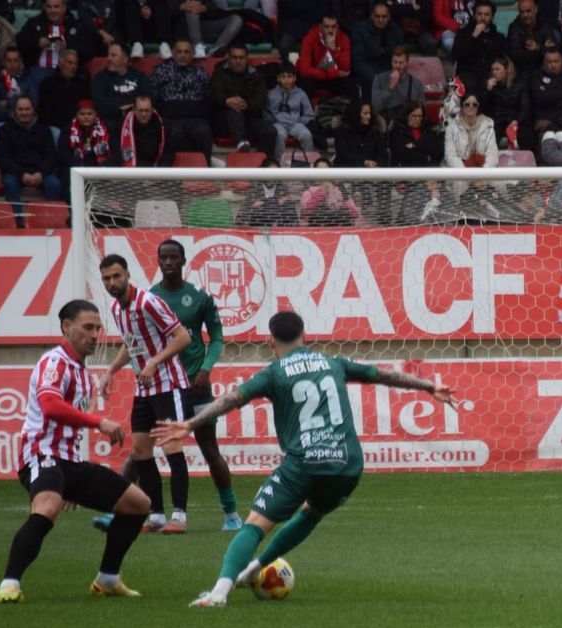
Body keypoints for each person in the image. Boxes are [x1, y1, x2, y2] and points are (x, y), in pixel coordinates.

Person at [154, 310, 455, 607]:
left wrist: (191, 424)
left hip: (303, 463)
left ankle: (219, 592)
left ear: (270, 342)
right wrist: (429, 386)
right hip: (347, 465)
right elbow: (380, 375)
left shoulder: (273, 372)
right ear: (305, 336)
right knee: (312, 512)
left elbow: (233, 398)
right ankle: (255, 568)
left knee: (255, 525)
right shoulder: (332, 362)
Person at [0, 299, 151, 604]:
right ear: (67, 327)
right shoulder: (55, 363)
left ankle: (107, 579)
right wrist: (99, 422)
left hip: (70, 462)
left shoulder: (81, 371)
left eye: (98, 329)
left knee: (138, 504)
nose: (94, 335)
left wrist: (69, 483)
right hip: (42, 455)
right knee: (47, 509)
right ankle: (9, 585)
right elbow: (51, 406)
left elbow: (69, 422)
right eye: (87, 328)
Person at [94, 253, 194, 533]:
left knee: (172, 447)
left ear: (127, 275)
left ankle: (180, 517)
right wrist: (111, 370)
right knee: (140, 450)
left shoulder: (149, 302)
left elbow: (183, 337)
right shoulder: (116, 309)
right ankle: (157, 515)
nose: (112, 282)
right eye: (106, 278)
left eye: (116, 276)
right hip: (144, 388)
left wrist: (154, 361)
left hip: (168, 384)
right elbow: (131, 343)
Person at [149, 239, 242, 529]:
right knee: (145, 449)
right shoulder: (150, 298)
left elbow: (216, 338)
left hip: (197, 386)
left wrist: (205, 370)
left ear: (184, 261)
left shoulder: (200, 297)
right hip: (166, 387)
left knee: (209, 448)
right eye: (163, 257)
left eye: (173, 257)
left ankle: (231, 514)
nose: (168, 262)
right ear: (158, 261)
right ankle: (121, 509)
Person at [0, 95, 62, 225]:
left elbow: (51, 156)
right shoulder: (4, 130)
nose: (24, 113)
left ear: (33, 110)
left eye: (27, 109)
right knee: (9, 183)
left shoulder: (44, 129)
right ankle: (18, 223)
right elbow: (2, 158)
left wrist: (41, 173)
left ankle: (48, 222)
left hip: (41, 172)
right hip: (15, 173)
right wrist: (21, 174)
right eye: (20, 109)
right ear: (14, 110)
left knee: (55, 184)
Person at [17, 0, 99, 91]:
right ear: (44, 7)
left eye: (56, 7)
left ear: (64, 8)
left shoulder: (77, 25)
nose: (52, 10)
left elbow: (89, 50)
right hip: (38, 71)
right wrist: (37, 43)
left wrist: (69, 47)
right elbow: (20, 42)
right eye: (49, 7)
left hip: (66, 73)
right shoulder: (33, 23)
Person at [151, 36, 212, 155]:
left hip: (195, 118)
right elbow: (153, 96)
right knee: (173, 133)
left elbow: (208, 97)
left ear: (192, 54)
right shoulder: (161, 71)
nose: (182, 55)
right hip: (170, 118)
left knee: (204, 131)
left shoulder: (200, 73)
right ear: (173, 53)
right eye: (179, 52)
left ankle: (205, 169)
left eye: (186, 52)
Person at [211, 44, 275, 154]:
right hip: (225, 120)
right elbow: (214, 94)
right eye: (235, 58)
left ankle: (266, 165)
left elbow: (261, 101)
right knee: (234, 111)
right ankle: (241, 143)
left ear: (247, 59)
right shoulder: (219, 72)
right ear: (229, 58)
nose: (238, 61)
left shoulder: (256, 75)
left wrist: (247, 104)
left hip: (249, 117)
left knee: (270, 131)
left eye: (241, 58)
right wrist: (227, 101)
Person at [388, 101, 445, 221]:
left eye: (420, 116)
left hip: (428, 178)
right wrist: (425, 155)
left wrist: (414, 147)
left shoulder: (429, 130)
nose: (417, 119)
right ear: (407, 115)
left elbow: (437, 153)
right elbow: (401, 154)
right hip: (405, 176)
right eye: (414, 116)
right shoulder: (397, 132)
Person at [451, 0, 506, 95]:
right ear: (474, 15)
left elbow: (504, 60)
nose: (483, 18)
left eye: (487, 14)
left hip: (488, 76)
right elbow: (455, 55)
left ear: (492, 17)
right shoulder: (463, 33)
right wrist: (473, 36)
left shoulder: (499, 38)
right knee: (454, 84)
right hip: (466, 77)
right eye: (479, 14)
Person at [265, 62, 318, 158]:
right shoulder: (272, 94)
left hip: (296, 124)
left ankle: (310, 165)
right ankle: (279, 166)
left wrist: (299, 121)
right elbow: (267, 113)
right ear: (278, 78)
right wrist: (273, 121)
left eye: (289, 77)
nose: (286, 80)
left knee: (306, 135)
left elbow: (309, 115)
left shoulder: (301, 94)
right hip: (278, 124)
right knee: (279, 136)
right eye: (283, 77)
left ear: (294, 78)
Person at [37, 46, 88, 136]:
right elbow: (43, 113)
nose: (73, 66)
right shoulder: (47, 84)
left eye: (76, 64)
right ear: (60, 64)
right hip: (54, 129)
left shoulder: (83, 85)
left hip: (78, 129)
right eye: (70, 63)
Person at [297, 13, 351, 96]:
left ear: (337, 27)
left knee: (348, 86)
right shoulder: (309, 39)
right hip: (314, 78)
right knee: (307, 84)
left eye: (333, 27)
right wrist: (328, 74)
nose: (330, 30)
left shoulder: (344, 39)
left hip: (334, 78)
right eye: (326, 26)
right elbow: (305, 69)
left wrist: (333, 49)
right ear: (320, 27)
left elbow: (344, 68)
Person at [526, 46, 562, 135]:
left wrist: (549, 93)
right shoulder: (536, 77)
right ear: (544, 62)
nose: (553, 65)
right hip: (544, 119)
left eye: (556, 61)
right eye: (549, 62)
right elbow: (539, 98)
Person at [352, 2, 402, 88]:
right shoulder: (359, 31)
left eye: (384, 16)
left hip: (389, 73)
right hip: (367, 75)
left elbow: (399, 57)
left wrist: (395, 72)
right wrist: (377, 78)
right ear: (372, 16)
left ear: (389, 17)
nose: (381, 20)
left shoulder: (396, 31)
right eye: (377, 16)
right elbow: (358, 63)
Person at [482, 55, 527, 149]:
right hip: (496, 121)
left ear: (507, 70)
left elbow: (525, 108)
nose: (494, 72)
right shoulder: (489, 85)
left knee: (525, 136)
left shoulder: (520, 84)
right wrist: (487, 90)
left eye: (497, 69)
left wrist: (517, 120)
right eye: (492, 69)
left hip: (514, 121)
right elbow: (483, 108)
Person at [172, 0, 242, 59]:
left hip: (204, 27)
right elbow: (166, 9)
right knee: (192, 8)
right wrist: (182, 7)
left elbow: (213, 8)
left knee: (237, 19)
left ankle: (215, 49)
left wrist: (204, 8)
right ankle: (197, 45)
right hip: (184, 29)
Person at [506, 0, 557, 79]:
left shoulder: (545, 25)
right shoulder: (514, 27)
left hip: (545, 68)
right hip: (523, 71)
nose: (525, 15)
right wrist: (542, 50)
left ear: (536, 9)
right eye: (522, 12)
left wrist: (537, 47)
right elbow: (515, 55)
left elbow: (553, 51)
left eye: (528, 11)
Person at [371, 44, 424, 119]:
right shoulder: (379, 79)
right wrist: (389, 87)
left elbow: (422, 113)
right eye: (395, 62)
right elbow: (375, 109)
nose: (397, 66)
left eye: (401, 63)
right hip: (386, 124)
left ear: (407, 62)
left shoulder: (417, 84)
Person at [119, 93, 167, 164]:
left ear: (152, 110)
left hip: (155, 170)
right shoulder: (122, 126)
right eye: (140, 110)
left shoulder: (162, 126)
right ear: (134, 110)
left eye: (147, 110)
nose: (144, 114)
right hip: (130, 171)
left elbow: (167, 154)